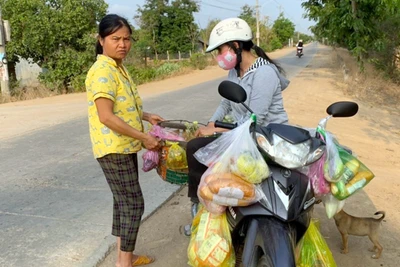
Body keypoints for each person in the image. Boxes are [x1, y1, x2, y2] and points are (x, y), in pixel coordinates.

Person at [184, 17, 290, 235]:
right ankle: (201, 209)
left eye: (220, 50)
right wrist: (211, 123)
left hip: (265, 136)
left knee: (197, 149)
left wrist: (217, 130)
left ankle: (203, 209)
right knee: (199, 146)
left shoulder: (264, 74)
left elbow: (255, 119)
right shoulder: (235, 72)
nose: (219, 57)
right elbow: (226, 102)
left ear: (236, 45)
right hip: (243, 134)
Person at [86, 14, 163, 267]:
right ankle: (123, 263)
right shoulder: (102, 71)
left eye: (127, 39)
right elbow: (106, 116)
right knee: (134, 204)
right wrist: (144, 137)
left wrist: (146, 115)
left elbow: (122, 106)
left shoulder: (117, 67)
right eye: (115, 38)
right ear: (101, 40)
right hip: (114, 148)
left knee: (123, 202)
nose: (122, 44)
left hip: (123, 145)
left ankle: (124, 256)